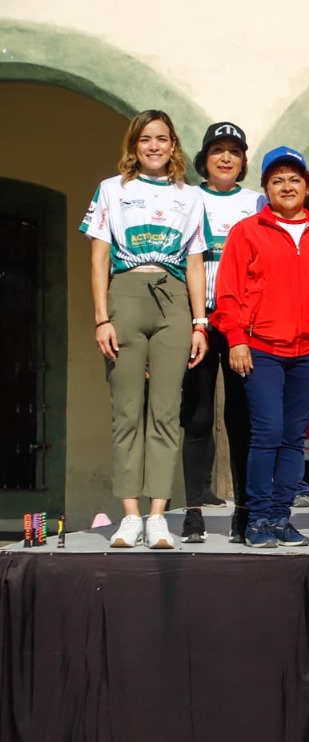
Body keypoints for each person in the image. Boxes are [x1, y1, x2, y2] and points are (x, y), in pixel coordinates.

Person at [82, 109, 209, 549]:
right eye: (145, 139)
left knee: (166, 412)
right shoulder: (111, 190)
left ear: (173, 146)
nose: (154, 146)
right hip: (125, 296)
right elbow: (99, 257)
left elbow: (195, 262)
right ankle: (130, 515)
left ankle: (158, 515)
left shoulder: (191, 196)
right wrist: (102, 318)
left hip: (173, 299)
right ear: (133, 146)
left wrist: (199, 323)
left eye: (162, 139)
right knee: (126, 412)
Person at [212, 147, 309, 547]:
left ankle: (281, 517)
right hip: (261, 349)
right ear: (266, 188)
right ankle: (256, 519)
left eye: (294, 179)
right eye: (277, 180)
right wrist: (236, 340)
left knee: (293, 437)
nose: (286, 186)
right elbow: (228, 293)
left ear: (306, 186)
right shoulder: (247, 231)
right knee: (266, 433)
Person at [181, 122, 261, 544]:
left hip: (243, 323)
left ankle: (244, 511)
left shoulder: (258, 201)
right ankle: (193, 510)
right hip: (198, 318)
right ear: (204, 159)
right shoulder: (187, 197)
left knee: (241, 418)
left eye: (234, 151)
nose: (226, 157)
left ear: (244, 160)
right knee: (197, 415)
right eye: (217, 151)